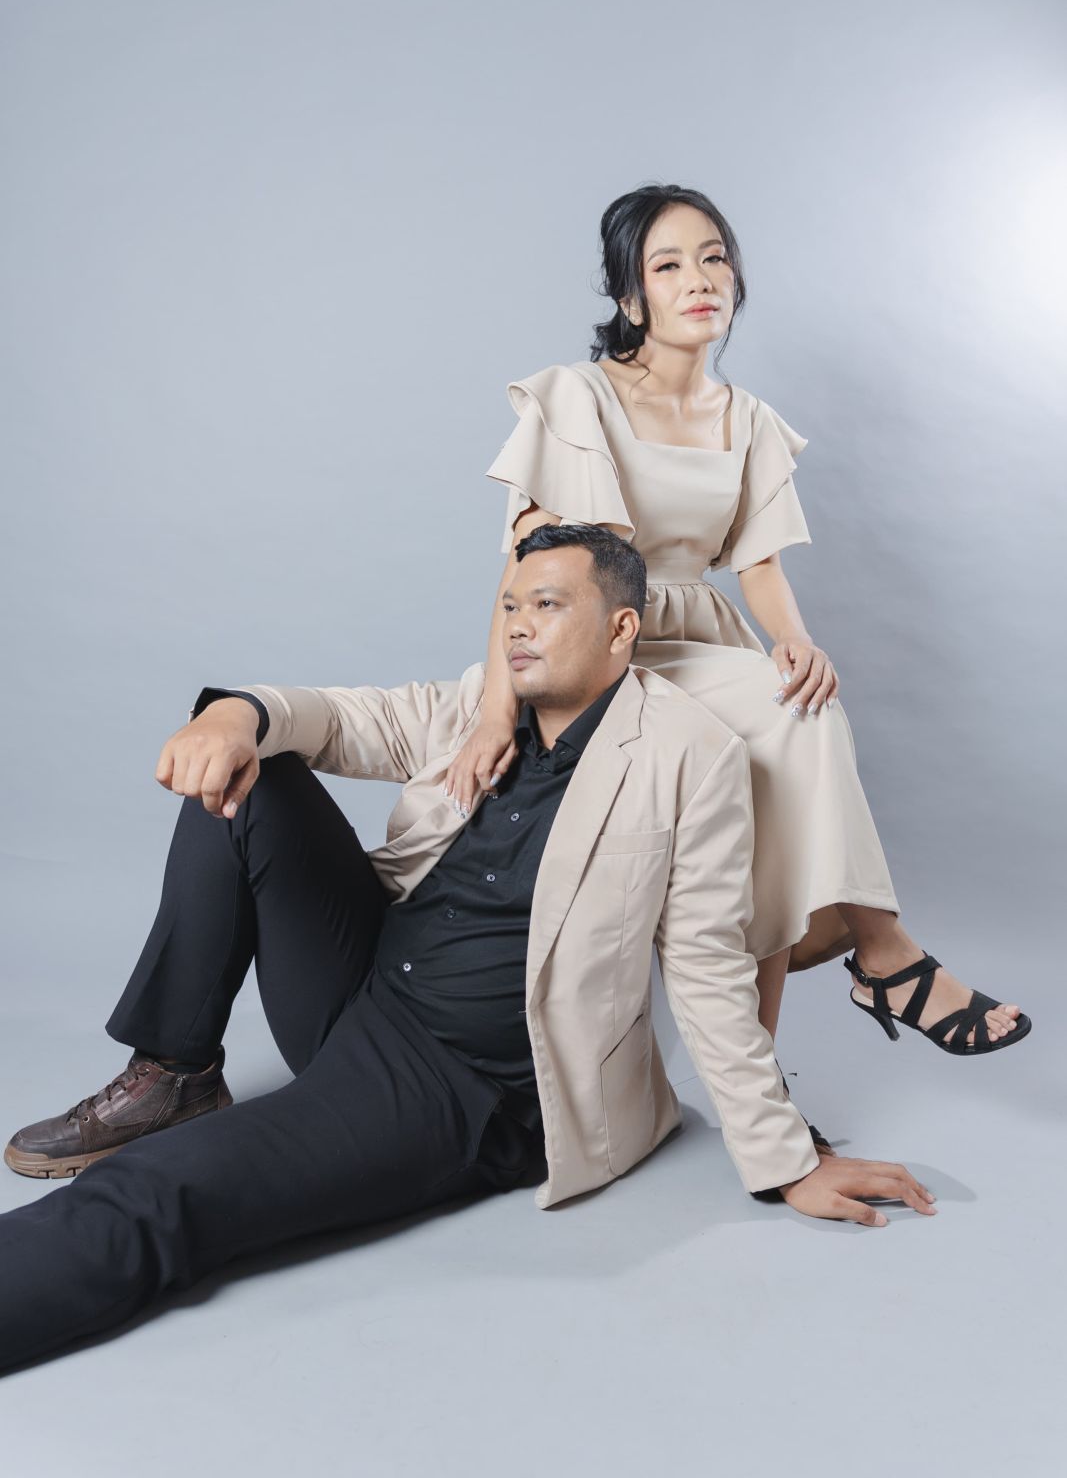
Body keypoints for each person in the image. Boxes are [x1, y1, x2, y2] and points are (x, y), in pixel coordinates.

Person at [0, 525, 935, 1375]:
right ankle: (177, 1073)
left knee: (161, 1190)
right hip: (364, 986)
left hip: (459, 1084)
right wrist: (235, 714)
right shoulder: (479, 710)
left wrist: (785, 1160)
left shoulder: (686, 754)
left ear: (621, 629)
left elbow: (704, 963)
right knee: (254, 774)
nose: (518, 625)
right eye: (510, 604)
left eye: (547, 604)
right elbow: (340, 719)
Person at [447, 182, 1030, 1081]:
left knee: (789, 721)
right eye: (667, 265)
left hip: (704, 642)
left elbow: (759, 567)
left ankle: (758, 1080)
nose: (699, 279)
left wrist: (795, 639)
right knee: (790, 716)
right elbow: (530, 575)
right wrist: (496, 712)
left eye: (713, 257)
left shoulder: (746, 418)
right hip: (608, 646)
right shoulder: (577, 398)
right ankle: (885, 955)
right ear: (629, 297)